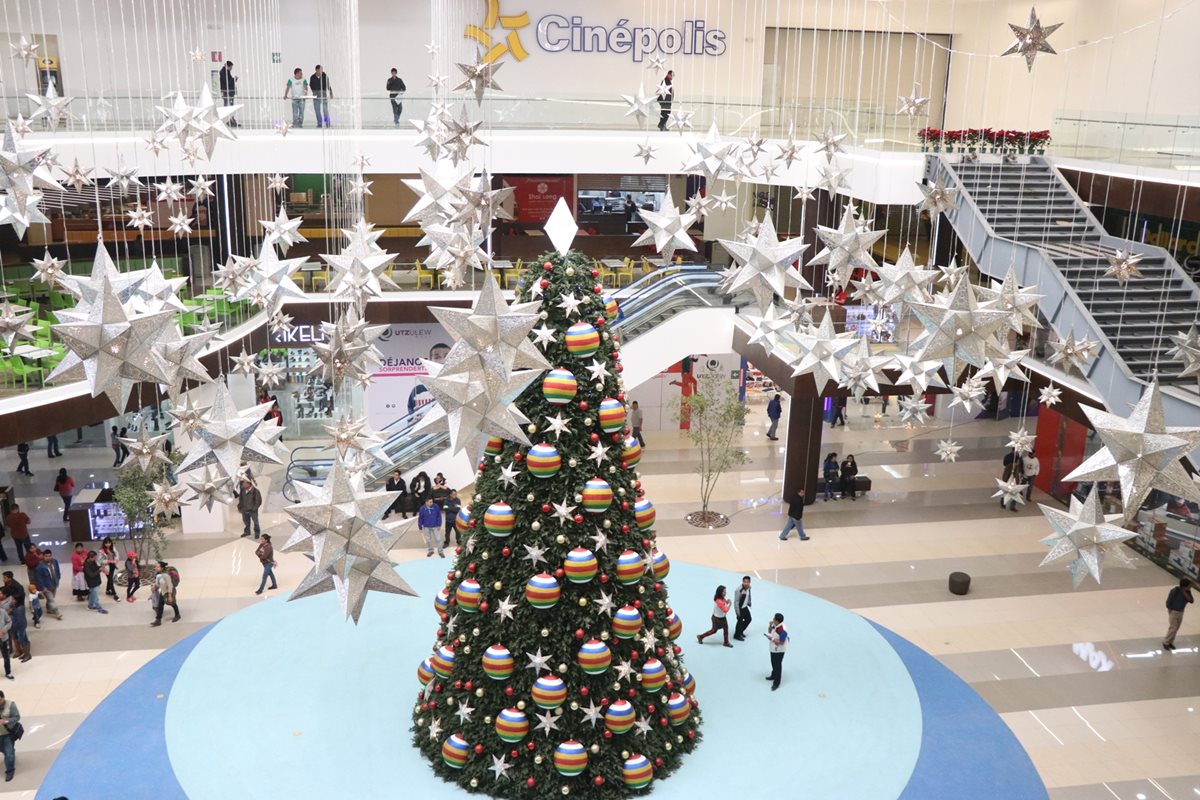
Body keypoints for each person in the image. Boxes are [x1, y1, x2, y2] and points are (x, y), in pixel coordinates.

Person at [0, 577, 27, 663]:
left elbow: (13, 609)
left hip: (11, 621)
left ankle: (21, 651)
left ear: (5, 595)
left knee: (14, 636)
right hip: (3, 622)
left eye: (0, 593)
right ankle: (13, 650)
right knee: (9, 637)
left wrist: (8, 611)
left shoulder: (11, 601)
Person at [1163, 578, 1194, 651]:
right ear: (1184, 586)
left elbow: (1191, 600)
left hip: (1181, 611)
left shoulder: (1188, 592)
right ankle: (1166, 642)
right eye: (1189, 586)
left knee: (1176, 628)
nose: (1190, 587)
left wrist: (1186, 592)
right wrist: (1170, 610)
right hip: (1173, 611)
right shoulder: (1175, 591)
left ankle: (1170, 642)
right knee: (1173, 628)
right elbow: (1169, 601)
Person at [33, 550, 62, 621]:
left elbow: (57, 571)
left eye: (50, 556)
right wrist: (43, 588)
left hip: (54, 584)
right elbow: (38, 578)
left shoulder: (54, 562)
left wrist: (58, 579)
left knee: (50, 599)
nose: (48, 558)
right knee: (51, 600)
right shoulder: (40, 567)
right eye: (46, 556)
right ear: (43, 556)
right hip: (46, 587)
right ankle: (57, 612)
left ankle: (49, 609)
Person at [150, 561, 180, 626]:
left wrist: (170, 596)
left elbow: (170, 586)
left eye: (157, 567)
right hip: (163, 592)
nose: (155, 568)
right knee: (160, 605)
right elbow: (159, 583)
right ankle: (158, 620)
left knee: (173, 604)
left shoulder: (166, 575)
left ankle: (177, 615)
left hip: (169, 591)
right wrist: (154, 587)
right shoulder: (158, 574)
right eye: (155, 566)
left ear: (162, 568)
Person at [765, 612, 789, 691]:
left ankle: (776, 683)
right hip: (773, 648)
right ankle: (773, 675)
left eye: (774, 619)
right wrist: (770, 625)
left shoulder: (783, 630)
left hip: (779, 650)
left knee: (777, 665)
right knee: (773, 662)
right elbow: (769, 631)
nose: (773, 619)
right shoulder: (775, 625)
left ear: (777, 621)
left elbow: (781, 642)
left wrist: (771, 639)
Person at [0, 689, 21, 780]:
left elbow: (17, 717)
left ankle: (10, 771)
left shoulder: (11, 705)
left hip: (7, 733)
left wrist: (6, 721)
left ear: (3, 698)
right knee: (5, 750)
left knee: (9, 754)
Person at [732, 575, 753, 641]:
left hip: (745, 607)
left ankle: (740, 631)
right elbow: (736, 602)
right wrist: (738, 612)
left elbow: (749, 595)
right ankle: (737, 635)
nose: (746, 583)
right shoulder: (738, 590)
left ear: (749, 582)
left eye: (747, 582)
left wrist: (749, 602)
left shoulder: (749, 587)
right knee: (740, 622)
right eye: (745, 582)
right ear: (742, 582)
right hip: (740, 609)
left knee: (749, 619)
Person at [219, 60, 238, 126]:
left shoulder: (226, 72)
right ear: (228, 66)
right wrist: (234, 79)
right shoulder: (223, 72)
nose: (231, 69)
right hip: (227, 92)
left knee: (229, 106)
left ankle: (231, 120)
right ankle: (229, 121)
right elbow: (227, 82)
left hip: (229, 92)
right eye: (231, 67)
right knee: (228, 106)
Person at [0, 604, 11, 680]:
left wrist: (3, 630)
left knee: (6, 656)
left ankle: (8, 672)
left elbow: (9, 622)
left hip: (3, 638)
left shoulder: (3, 612)